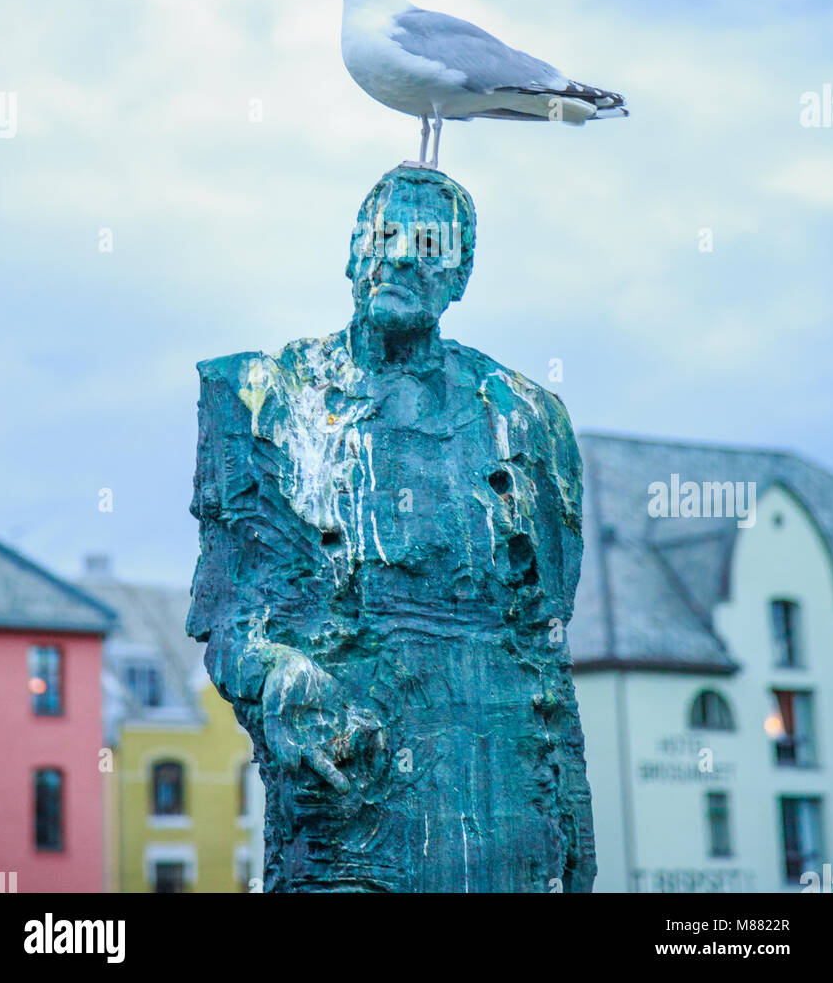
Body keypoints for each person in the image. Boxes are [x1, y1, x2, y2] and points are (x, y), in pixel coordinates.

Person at [187, 164, 595, 892]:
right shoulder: (263, 397)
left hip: (507, 816)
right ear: (352, 255)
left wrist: (574, 839)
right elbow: (231, 619)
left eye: (431, 243)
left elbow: (546, 649)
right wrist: (281, 676)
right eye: (384, 235)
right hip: (352, 815)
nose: (403, 254)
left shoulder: (529, 417)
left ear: (461, 276)